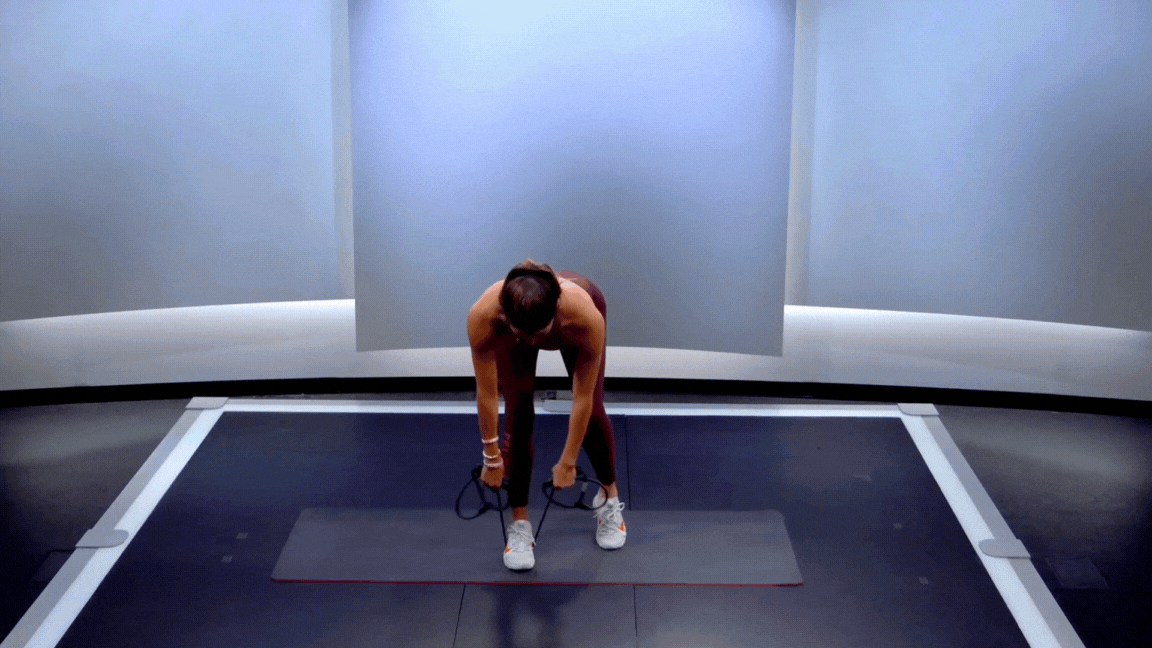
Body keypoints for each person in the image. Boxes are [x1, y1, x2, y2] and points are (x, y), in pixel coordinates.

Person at [467, 260, 626, 570]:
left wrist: (568, 462)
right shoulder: (484, 315)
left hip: (572, 319)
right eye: (523, 334)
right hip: (523, 324)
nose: (532, 342)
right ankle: (520, 525)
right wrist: (491, 458)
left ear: (554, 313)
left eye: (538, 334)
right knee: (519, 413)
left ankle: (609, 500)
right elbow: (486, 393)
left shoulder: (585, 316)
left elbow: (581, 398)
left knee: (593, 408)